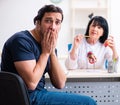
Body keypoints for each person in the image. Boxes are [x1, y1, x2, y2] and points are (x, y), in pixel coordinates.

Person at [1, 4, 97, 105]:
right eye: (48, 21)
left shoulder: (48, 45)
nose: (53, 27)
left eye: (57, 22)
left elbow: (60, 83)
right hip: (24, 97)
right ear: (38, 23)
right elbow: (31, 84)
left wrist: (51, 52)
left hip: (39, 94)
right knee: (88, 103)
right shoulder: (21, 41)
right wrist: (46, 52)